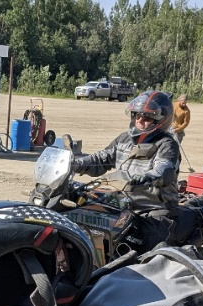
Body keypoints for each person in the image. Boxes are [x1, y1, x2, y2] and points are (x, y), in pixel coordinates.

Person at [72, 90, 190, 251]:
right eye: (137, 115)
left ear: (161, 120)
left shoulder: (166, 144)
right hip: (122, 204)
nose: (140, 120)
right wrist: (74, 163)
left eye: (147, 117)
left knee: (149, 258)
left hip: (152, 209)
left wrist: (148, 177)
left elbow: (165, 168)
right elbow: (101, 159)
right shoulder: (124, 139)